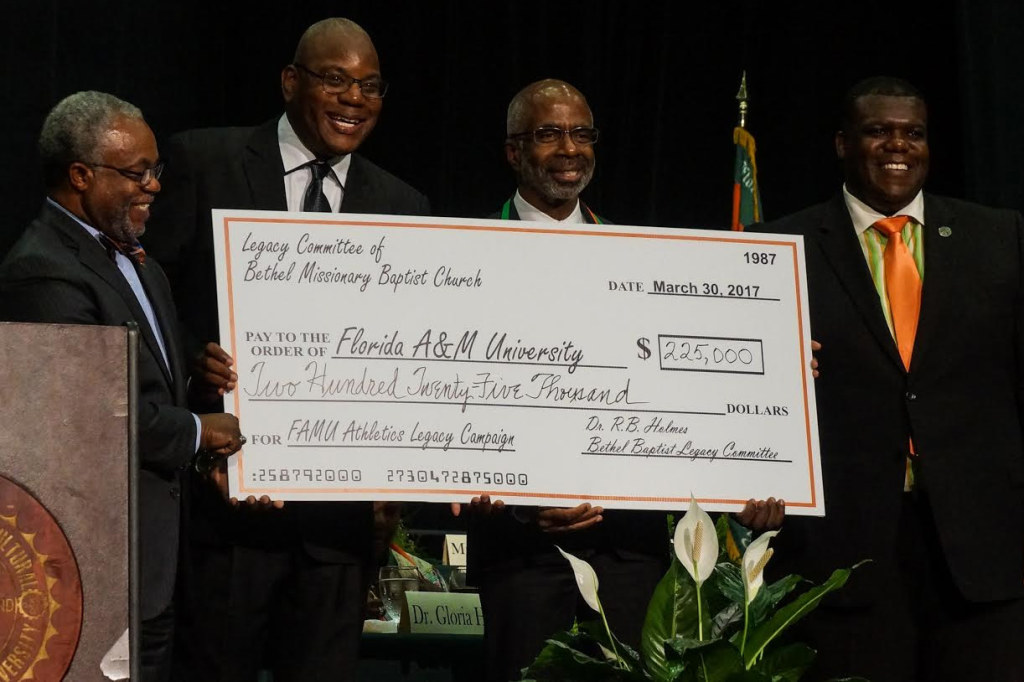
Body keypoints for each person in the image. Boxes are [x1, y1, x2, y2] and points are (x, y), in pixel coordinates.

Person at [463, 79, 784, 682]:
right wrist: (519, 507)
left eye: (582, 133)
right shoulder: (462, 256)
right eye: (549, 133)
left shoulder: (643, 262)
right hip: (520, 560)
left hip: (629, 554)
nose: (569, 147)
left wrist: (780, 365)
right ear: (513, 151)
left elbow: (692, 386)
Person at [144, 18, 430, 681]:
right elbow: (147, 300)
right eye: (335, 79)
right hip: (227, 512)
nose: (353, 99)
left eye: (370, 85)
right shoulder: (203, 161)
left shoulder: (400, 203)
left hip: (337, 526)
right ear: (290, 80)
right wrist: (192, 359)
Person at [754, 76, 1024, 681]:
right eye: (878, 131)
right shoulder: (777, 247)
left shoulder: (1000, 237)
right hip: (842, 551)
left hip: (983, 547)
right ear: (843, 143)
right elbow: (744, 392)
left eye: (913, 133)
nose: (896, 145)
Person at [0, 91, 243, 682]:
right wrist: (197, 432)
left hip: (153, 564)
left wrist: (197, 377)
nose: (154, 186)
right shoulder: (43, 270)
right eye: (138, 172)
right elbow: (88, 418)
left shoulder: (140, 263)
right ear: (81, 175)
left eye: (155, 171)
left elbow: (147, 379)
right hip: (91, 566)